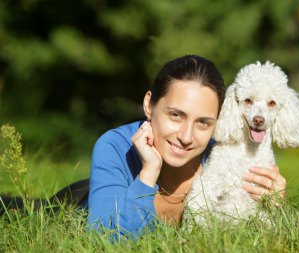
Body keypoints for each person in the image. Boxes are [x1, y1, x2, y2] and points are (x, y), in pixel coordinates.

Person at [86, 55, 287, 238]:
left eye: (203, 122)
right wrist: (148, 172)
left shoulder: (221, 156)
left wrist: (275, 204)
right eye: (176, 115)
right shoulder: (114, 147)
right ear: (149, 104)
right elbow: (104, 239)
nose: (186, 137)